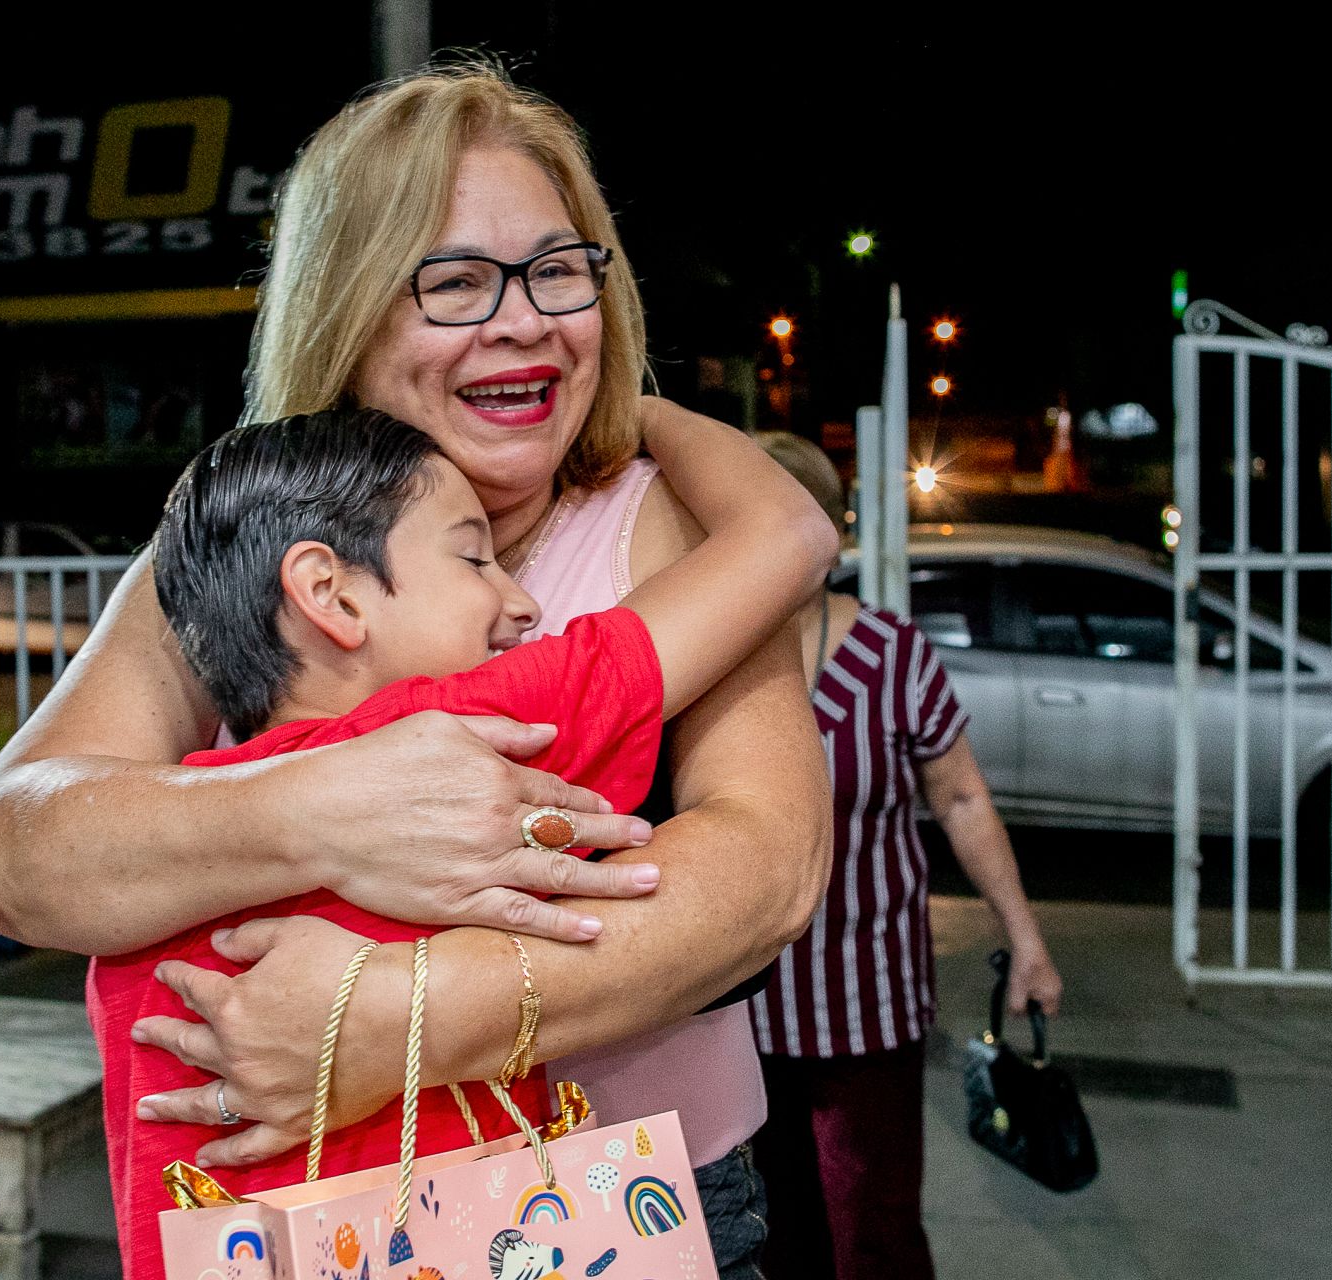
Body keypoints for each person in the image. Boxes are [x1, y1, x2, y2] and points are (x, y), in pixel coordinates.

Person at [0, 63, 840, 1278]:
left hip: (616, 1209)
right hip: (294, 1234)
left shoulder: (666, 521)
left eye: (556, 271)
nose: (524, 320)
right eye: (458, 282)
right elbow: (13, 854)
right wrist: (333, 807)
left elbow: (766, 869)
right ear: (347, 308)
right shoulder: (245, 531)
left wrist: (397, 1014)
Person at [96, 406, 825, 1278]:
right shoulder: (468, 731)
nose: (521, 602)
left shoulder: (141, 864)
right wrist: (632, 407)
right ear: (331, 594)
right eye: (473, 557)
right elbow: (788, 533)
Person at [744, 432, 1064, 1280]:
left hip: (867, 997)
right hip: (739, 999)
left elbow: (960, 798)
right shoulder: (712, 657)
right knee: (773, 1230)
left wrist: (1024, 938)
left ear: (821, 535)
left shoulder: (890, 654)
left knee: (873, 1227)